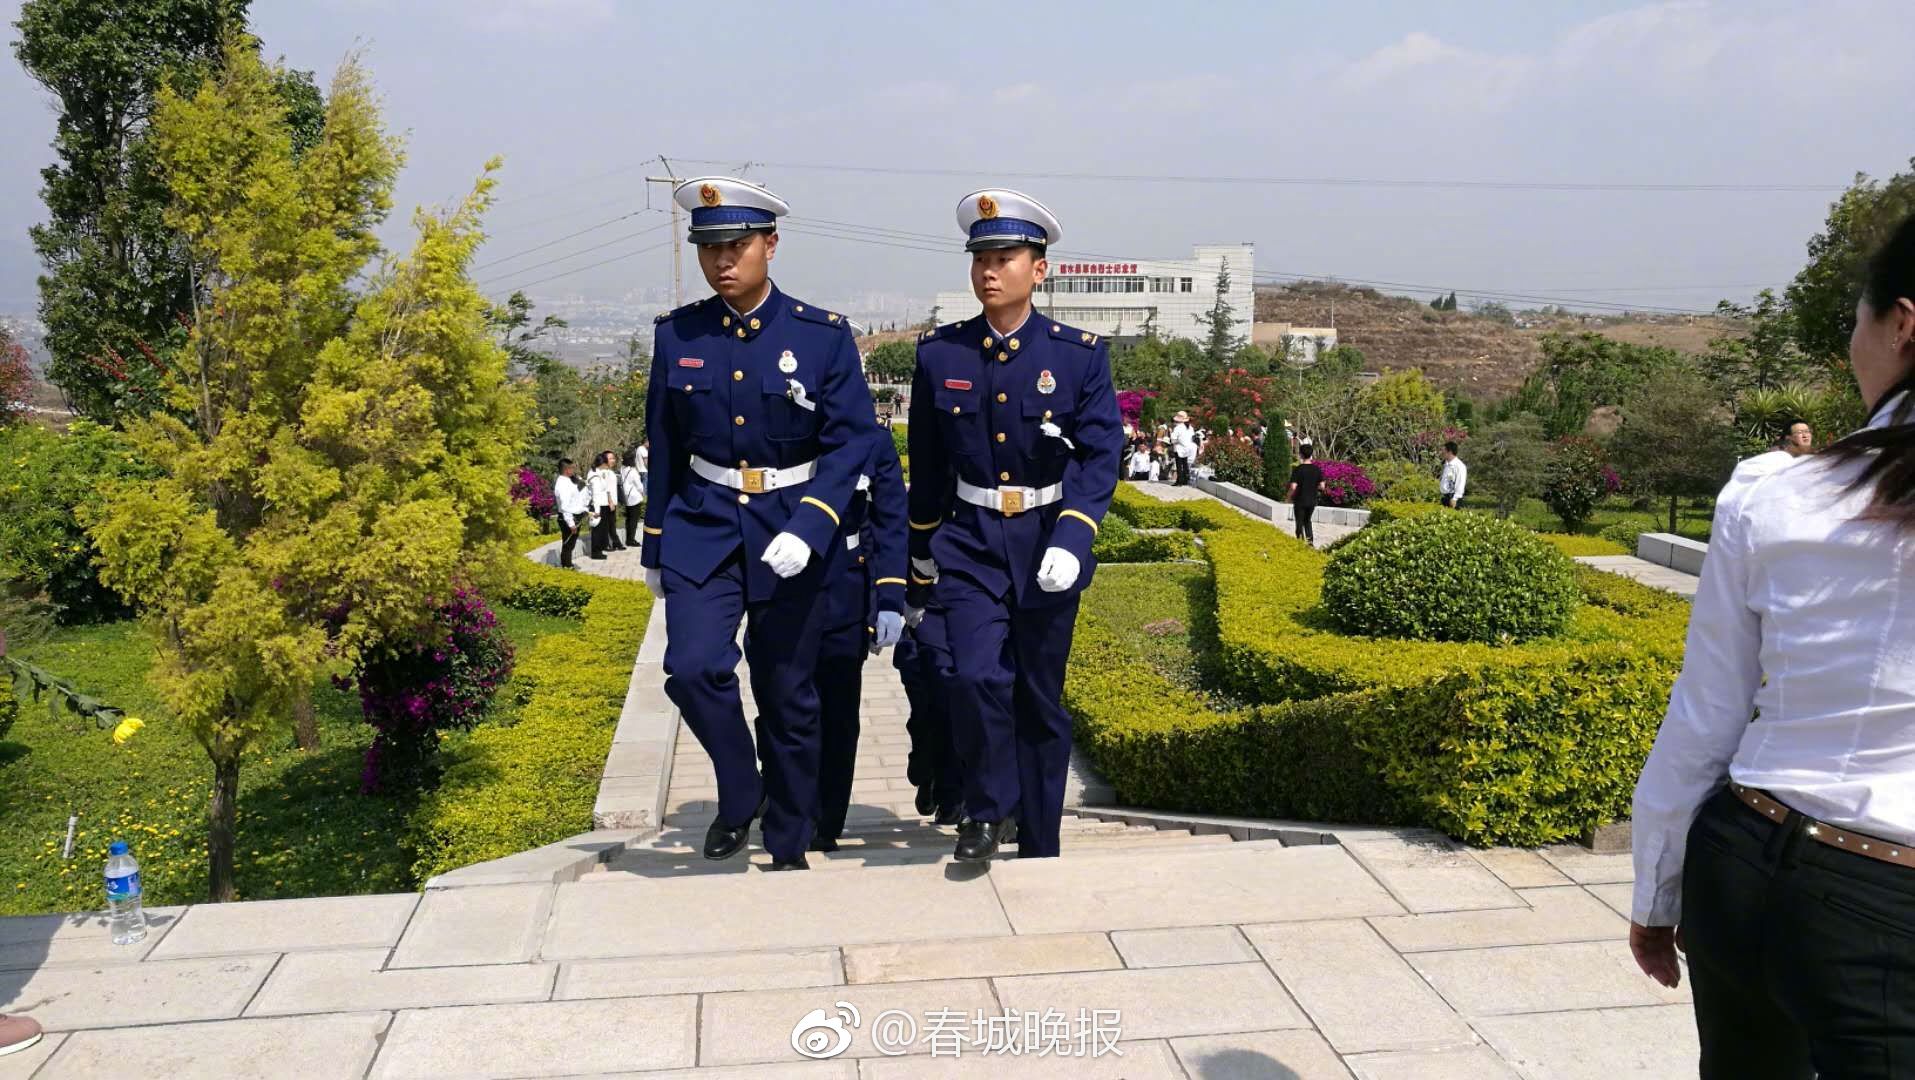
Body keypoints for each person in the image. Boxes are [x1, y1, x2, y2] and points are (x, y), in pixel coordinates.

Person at [1628, 213, 1915, 1078]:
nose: (1850, 350)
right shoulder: (1775, 494)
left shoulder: (1776, 496)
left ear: (1901, 323)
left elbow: (1705, 713)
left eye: (1854, 324)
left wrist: (1656, 890)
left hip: (1742, 860)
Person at [640, 176, 880, 871]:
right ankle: (739, 786)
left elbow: (852, 442)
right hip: (703, 525)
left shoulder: (821, 335)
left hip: (793, 529)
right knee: (691, 668)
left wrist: (811, 524)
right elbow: (664, 444)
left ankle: (787, 840)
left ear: (770, 245)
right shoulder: (677, 334)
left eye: (736, 245)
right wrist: (655, 541)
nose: (722, 260)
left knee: (788, 696)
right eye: (709, 247)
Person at [907, 188, 1123, 861]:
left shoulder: (1077, 355)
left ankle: (1037, 831)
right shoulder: (939, 356)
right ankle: (983, 809)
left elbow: (1099, 451)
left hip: (1043, 540)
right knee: (972, 677)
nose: (988, 272)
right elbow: (930, 462)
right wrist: (917, 553)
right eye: (980, 259)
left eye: (1004, 258)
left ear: (1040, 268)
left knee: (1036, 693)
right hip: (969, 539)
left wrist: (1074, 532)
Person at [803, 431, 908, 852]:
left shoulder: (871, 441)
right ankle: (784, 796)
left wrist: (889, 596)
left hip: (843, 594)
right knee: (781, 705)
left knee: (837, 713)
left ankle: (826, 818)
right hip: (780, 588)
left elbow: (890, 520)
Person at [552, 458, 589, 569]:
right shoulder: (562, 484)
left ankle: (568, 564)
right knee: (568, 544)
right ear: (567, 470)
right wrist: (571, 523)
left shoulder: (569, 480)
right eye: (572, 468)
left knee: (571, 544)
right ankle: (566, 565)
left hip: (575, 516)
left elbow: (577, 497)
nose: (574, 470)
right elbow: (565, 506)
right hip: (569, 518)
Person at [1286, 443, 1324, 545]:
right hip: (1312, 500)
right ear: (1311, 454)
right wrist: (1313, 486)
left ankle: (1300, 542)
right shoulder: (1317, 469)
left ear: (1301, 455)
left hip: (1300, 500)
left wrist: (1288, 497)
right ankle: (1310, 542)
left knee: (1299, 522)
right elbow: (1322, 486)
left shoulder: (1298, 469)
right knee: (1307, 521)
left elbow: (1293, 487)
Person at [587, 451, 620, 558]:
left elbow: (605, 490)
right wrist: (597, 511)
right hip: (598, 506)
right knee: (597, 530)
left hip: (603, 505)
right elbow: (596, 495)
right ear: (602, 464)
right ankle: (596, 552)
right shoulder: (594, 476)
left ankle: (600, 550)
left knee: (602, 530)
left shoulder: (599, 473)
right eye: (607, 463)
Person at [619, 448, 646, 546]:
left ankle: (628, 539)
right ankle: (631, 540)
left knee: (628, 519)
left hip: (626, 497)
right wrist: (643, 493)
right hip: (634, 498)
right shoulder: (633, 471)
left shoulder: (622, 469)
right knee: (634, 520)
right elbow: (639, 486)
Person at [1438, 440, 1468, 508]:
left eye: (1444, 451)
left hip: (1453, 498)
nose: (1442, 453)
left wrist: (1454, 499)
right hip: (1444, 498)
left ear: (1450, 452)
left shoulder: (1459, 466)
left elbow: (1460, 483)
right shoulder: (1446, 464)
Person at [1170, 410, 1197, 486]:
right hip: (1188, 448)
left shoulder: (1178, 428)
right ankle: (1185, 480)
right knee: (1185, 464)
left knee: (1179, 465)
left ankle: (1179, 481)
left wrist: (1176, 441)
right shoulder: (1190, 428)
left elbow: (1173, 439)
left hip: (1179, 448)